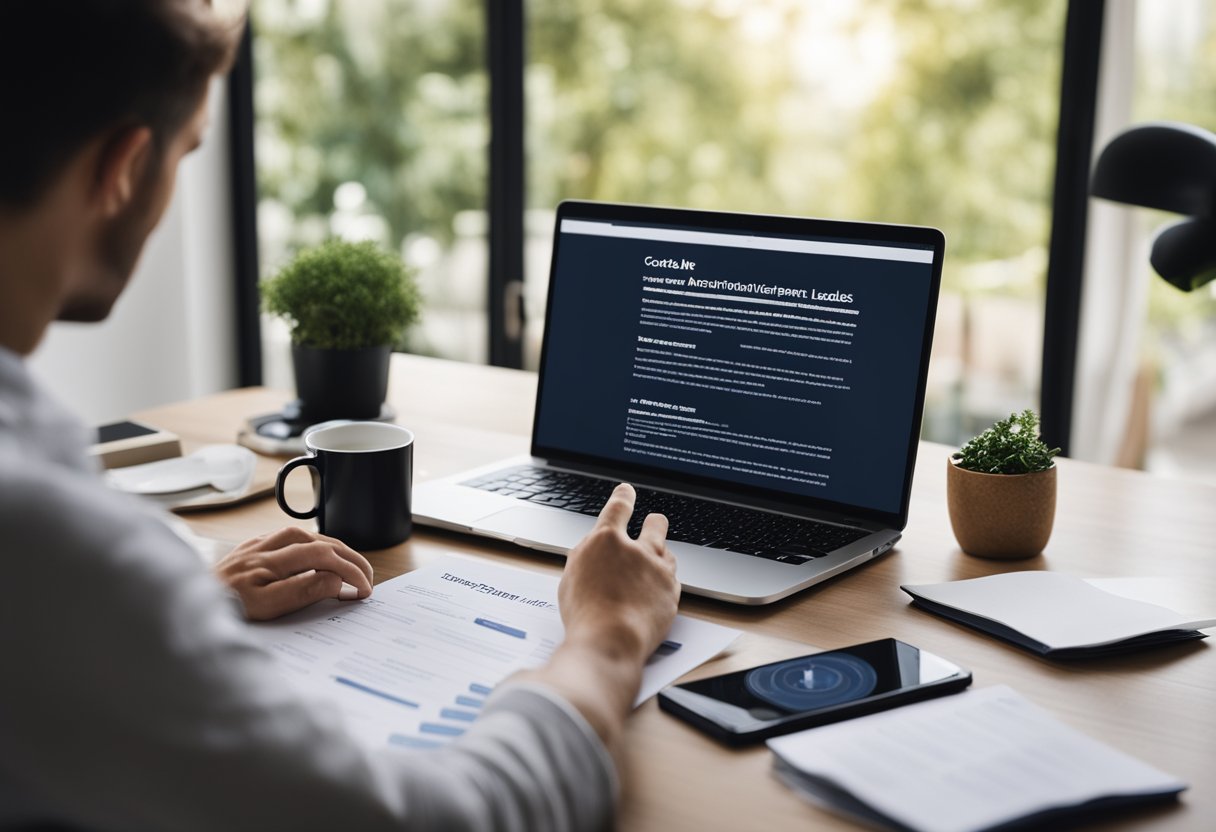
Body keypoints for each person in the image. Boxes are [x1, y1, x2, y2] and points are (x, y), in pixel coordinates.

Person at [0, 2, 679, 829]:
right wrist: (607, 638)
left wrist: (179, 613)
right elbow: (449, 819)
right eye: (186, 155)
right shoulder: (51, 542)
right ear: (122, 166)